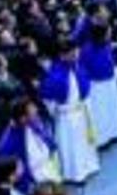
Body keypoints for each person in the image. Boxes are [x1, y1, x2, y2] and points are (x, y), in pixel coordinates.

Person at [38, 38, 99, 184]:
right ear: (62, 55)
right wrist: (57, 110)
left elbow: (84, 84)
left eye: (75, 52)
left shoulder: (76, 67)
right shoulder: (54, 75)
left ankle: (88, 166)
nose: (75, 55)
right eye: (71, 53)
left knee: (84, 142)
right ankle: (75, 174)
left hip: (80, 111)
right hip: (66, 116)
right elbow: (47, 98)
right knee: (71, 145)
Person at [0, 98, 61, 192]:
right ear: (23, 118)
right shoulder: (12, 136)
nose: (36, 110)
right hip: (32, 178)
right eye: (32, 110)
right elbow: (5, 158)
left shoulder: (36, 123)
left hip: (47, 169)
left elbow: (51, 144)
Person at [78, 18, 117, 147]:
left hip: (109, 82)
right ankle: (103, 139)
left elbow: (111, 59)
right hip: (96, 86)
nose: (110, 34)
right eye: (107, 32)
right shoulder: (86, 50)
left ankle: (115, 132)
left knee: (112, 108)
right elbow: (82, 69)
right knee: (101, 113)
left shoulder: (106, 44)